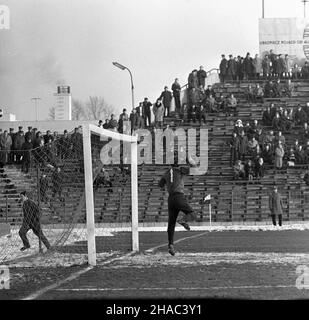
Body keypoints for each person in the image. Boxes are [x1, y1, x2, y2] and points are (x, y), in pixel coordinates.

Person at [158, 152, 196, 256]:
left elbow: (160, 185)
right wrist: (190, 161)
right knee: (192, 214)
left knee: (171, 224)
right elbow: (195, 169)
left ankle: (170, 245)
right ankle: (183, 220)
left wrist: (168, 182)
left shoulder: (166, 173)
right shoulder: (180, 170)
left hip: (170, 199)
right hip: (179, 196)